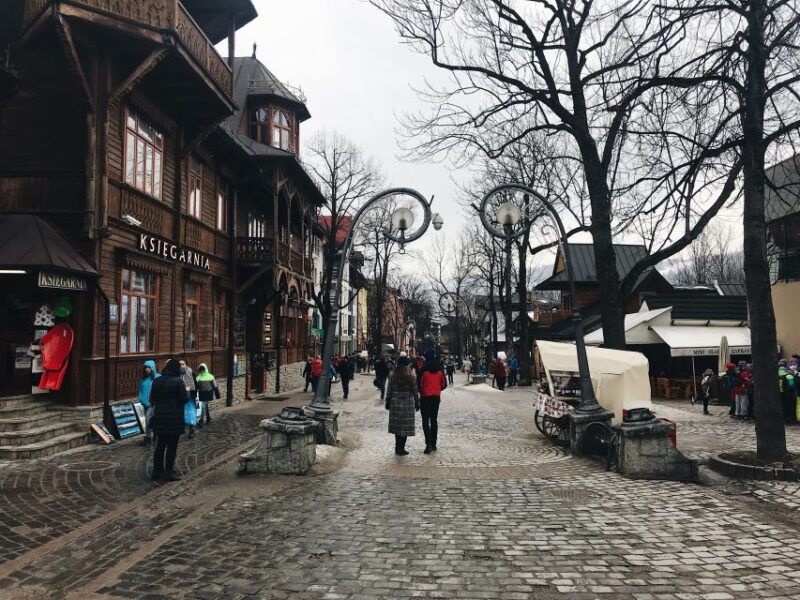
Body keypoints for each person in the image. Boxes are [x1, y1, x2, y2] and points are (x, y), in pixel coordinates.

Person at [150, 358, 191, 481]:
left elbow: (152, 399)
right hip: (174, 419)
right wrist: (187, 392)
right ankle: (168, 472)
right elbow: (184, 399)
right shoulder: (178, 382)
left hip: (159, 417)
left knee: (160, 446)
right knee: (171, 447)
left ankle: (157, 471)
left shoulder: (156, 381)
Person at [385, 354, 419, 455]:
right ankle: (402, 447)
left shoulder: (393, 375)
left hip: (395, 402)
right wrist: (417, 402)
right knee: (405, 425)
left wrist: (388, 401)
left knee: (397, 425)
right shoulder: (411, 375)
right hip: (408, 402)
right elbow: (415, 390)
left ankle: (397, 447)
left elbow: (389, 389)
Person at [419, 351, 447, 454]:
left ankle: (428, 444)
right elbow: (444, 384)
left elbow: (419, 384)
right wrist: (438, 389)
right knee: (434, 420)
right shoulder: (440, 369)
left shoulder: (423, 370)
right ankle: (434, 443)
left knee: (425, 421)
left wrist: (423, 391)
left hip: (425, 397)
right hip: (435, 397)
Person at [138, 360, 159, 446]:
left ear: (152, 368)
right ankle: (154, 434)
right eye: (146, 367)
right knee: (152, 419)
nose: (147, 369)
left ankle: (148, 437)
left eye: (149, 367)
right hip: (145, 403)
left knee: (148, 419)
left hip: (153, 403)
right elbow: (140, 390)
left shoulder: (157, 377)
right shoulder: (143, 379)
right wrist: (141, 399)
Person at [179, 360, 198, 437]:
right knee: (182, 412)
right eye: (180, 364)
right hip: (181, 396)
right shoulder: (178, 374)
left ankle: (191, 429)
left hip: (190, 396)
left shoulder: (190, 372)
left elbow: (195, 384)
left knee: (190, 412)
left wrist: (193, 394)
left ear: (186, 365)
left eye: (182, 364)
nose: (181, 366)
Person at [195, 362, 218, 427]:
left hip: (208, 393)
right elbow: (196, 387)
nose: (202, 371)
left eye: (203, 370)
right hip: (202, 393)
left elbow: (215, 385)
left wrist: (217, 394)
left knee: (203, 406)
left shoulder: (210, 376)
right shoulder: (198, 378)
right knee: (205, 405)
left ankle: (202, 421)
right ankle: (208, 418)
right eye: (200, 370)